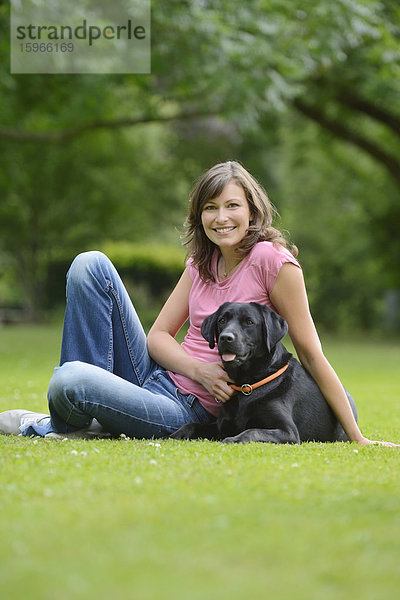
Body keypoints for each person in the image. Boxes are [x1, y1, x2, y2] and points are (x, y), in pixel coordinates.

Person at [0, 161, 398, 446]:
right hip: (156, 376)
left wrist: (357, 436)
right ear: (199, 215)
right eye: (210, 207)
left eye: (232, 206)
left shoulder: (273, 262)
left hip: (186, 410)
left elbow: (311, 354)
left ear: (253, 211)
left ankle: (63, 421)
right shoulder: (201, 262)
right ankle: (79, 420)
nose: (220, 217)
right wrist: (200, 370)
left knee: (69, 380)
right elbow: (158, 336)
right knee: (91, 265)